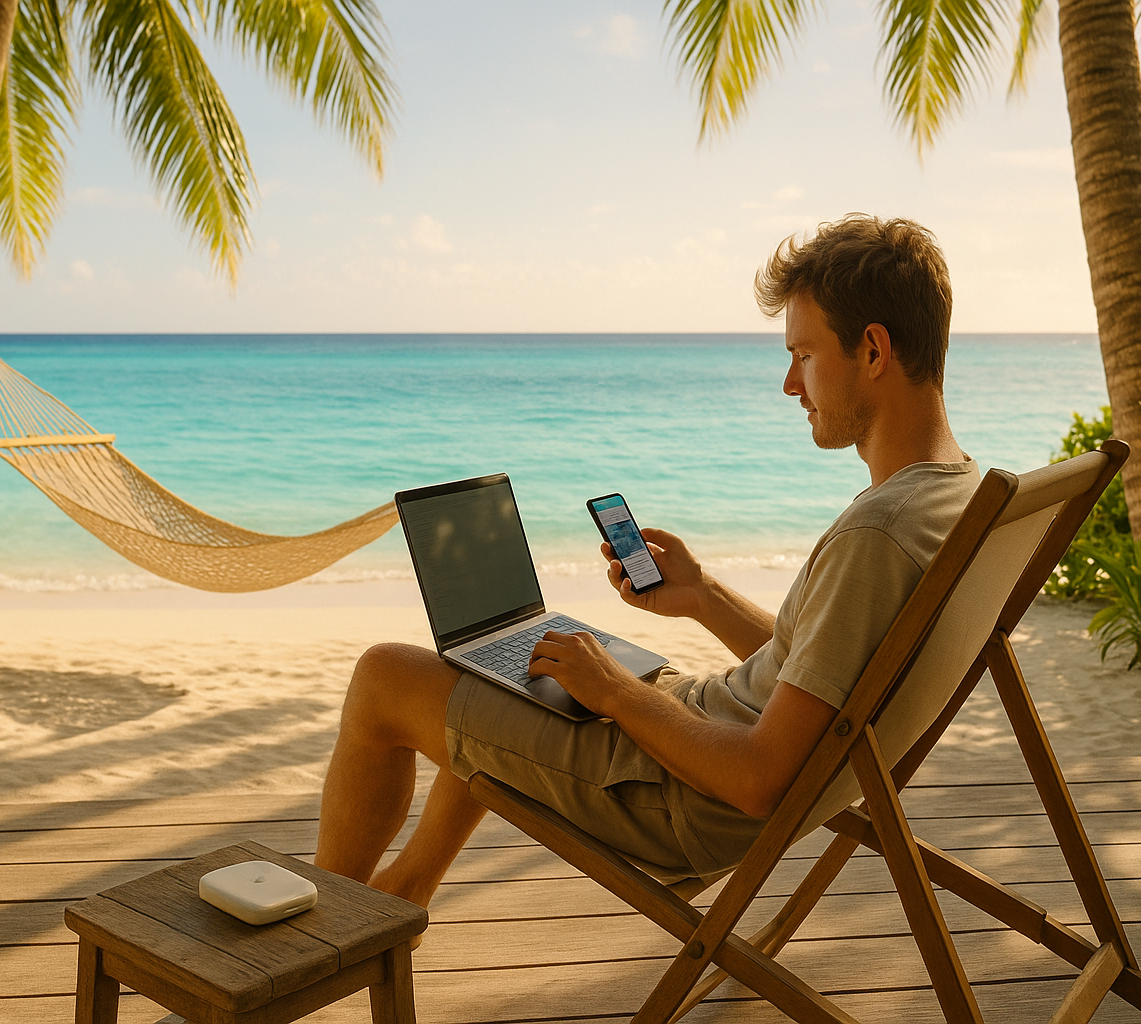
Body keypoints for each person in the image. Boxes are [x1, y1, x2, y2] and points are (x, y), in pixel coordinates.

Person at [314, 214, 979, 907]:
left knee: (384, 677)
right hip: (703, 730)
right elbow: (827, 679)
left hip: (675, 800)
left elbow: (758, 781)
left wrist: (617, 693)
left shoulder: (878, 533)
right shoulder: (953, 496)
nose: (790, 384)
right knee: (511, 672)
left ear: (873, 351)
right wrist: (702, 596)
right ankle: (407, 887)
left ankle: (326, 933)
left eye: (804, 355)